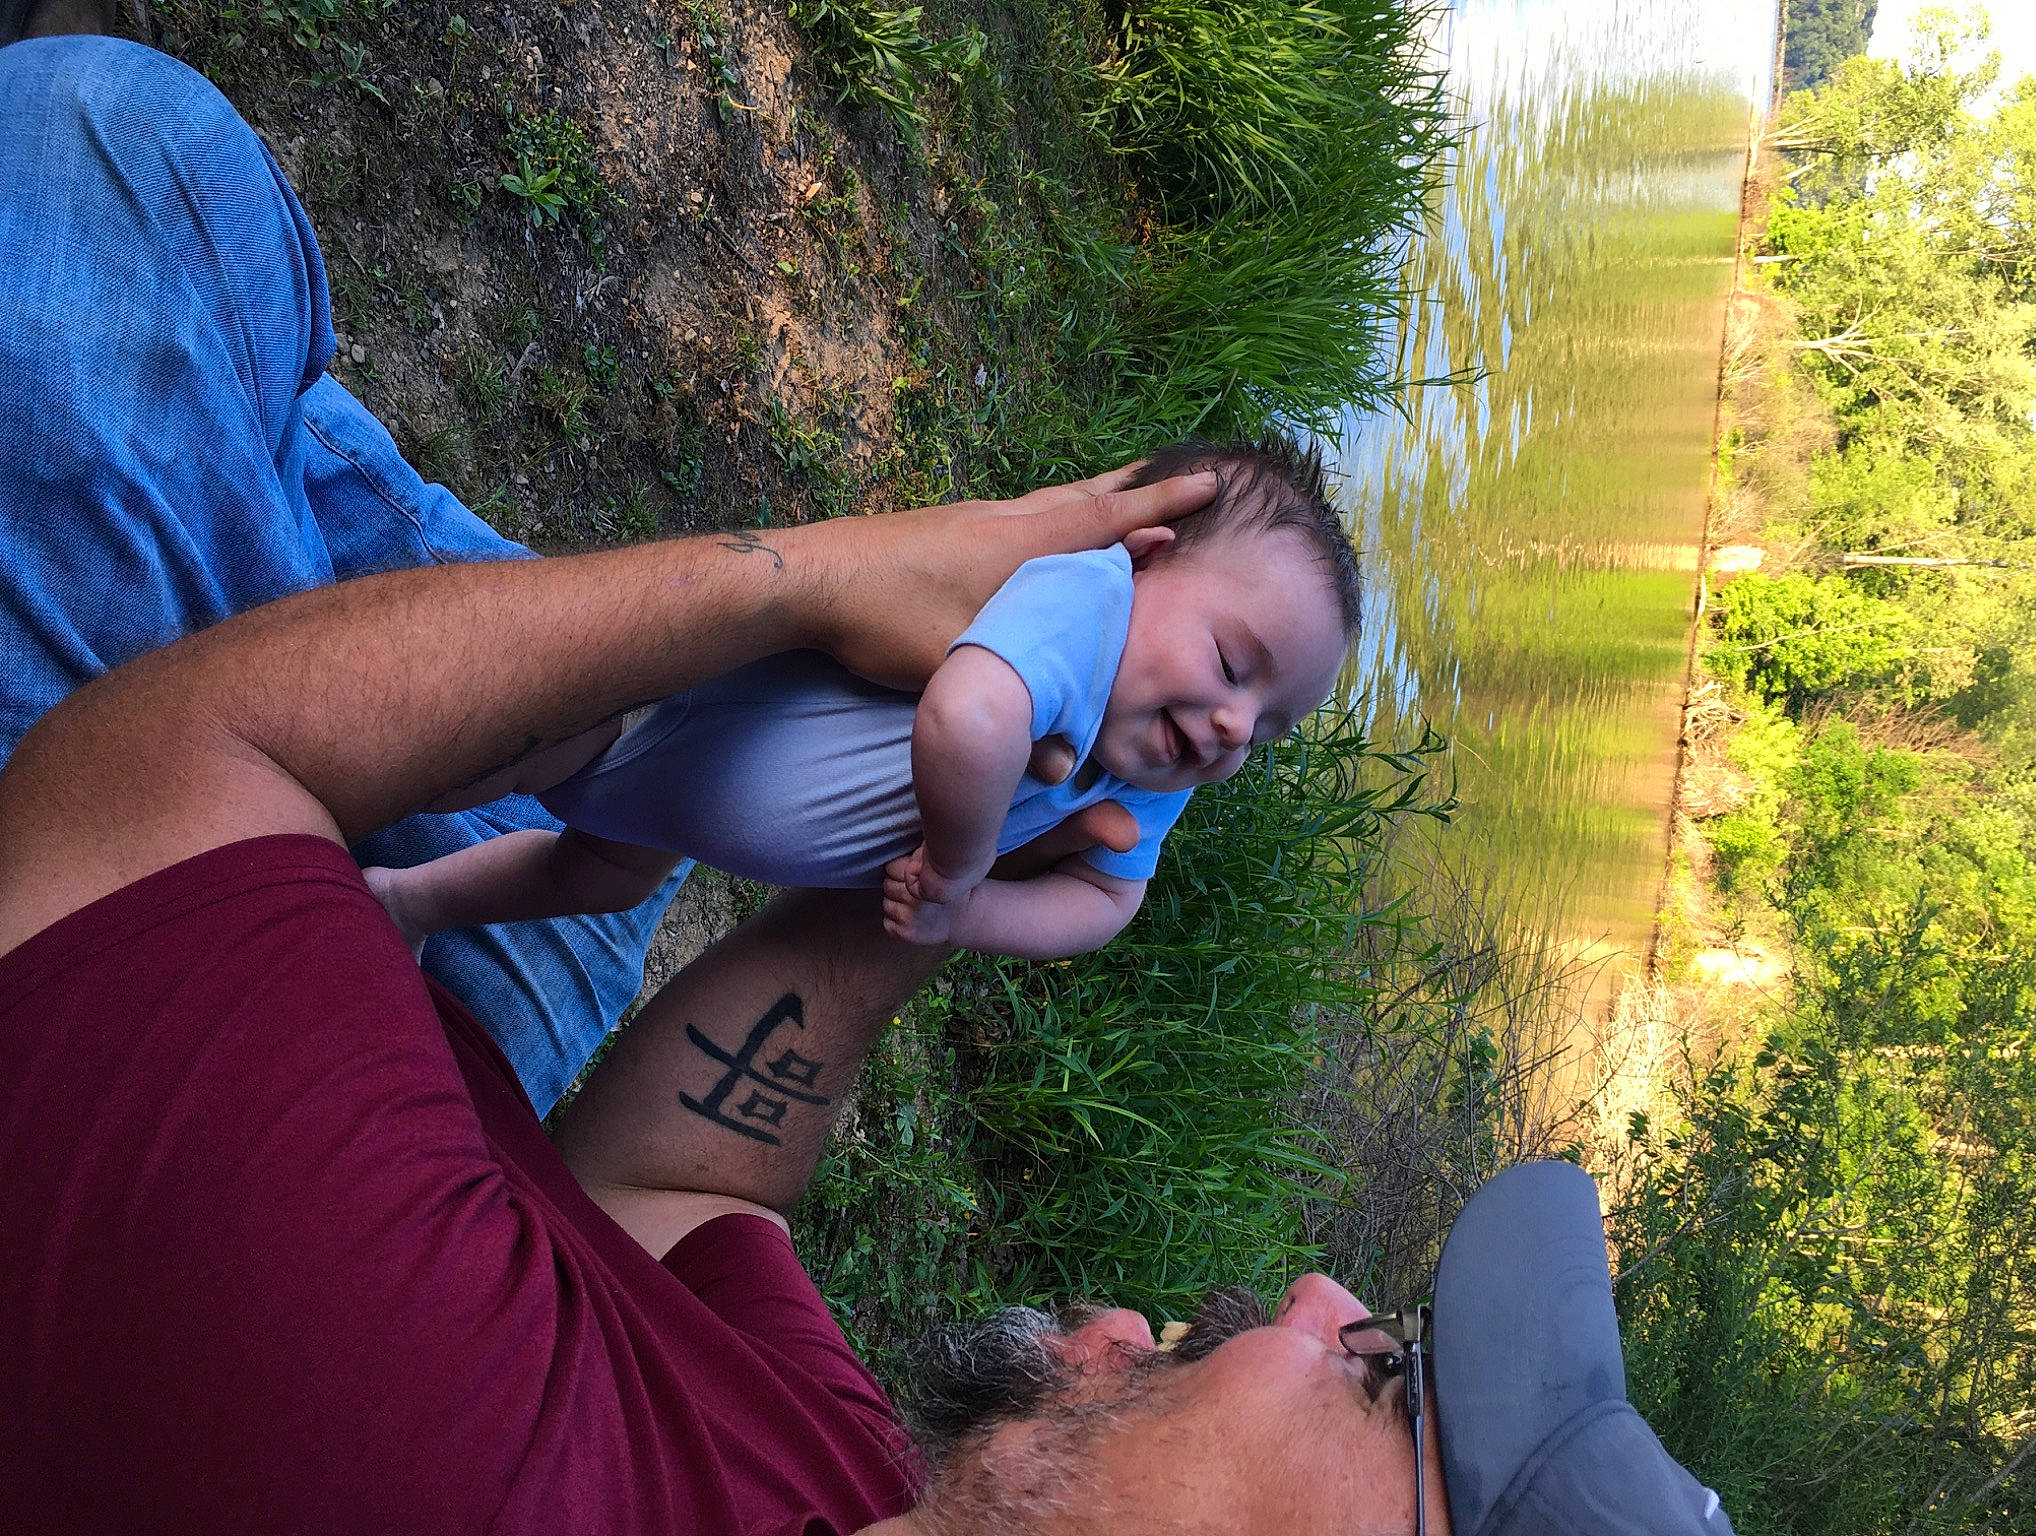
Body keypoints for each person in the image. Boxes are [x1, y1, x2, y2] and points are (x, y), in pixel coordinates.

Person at [0, 22, 1737, 1536]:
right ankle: (270, 483)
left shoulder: (426, 1443)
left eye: (1381, 1380)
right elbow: (689, 1194)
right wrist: (960, 871)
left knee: (107, 167)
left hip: (182, 889)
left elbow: (178, 763)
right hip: (531, 1090)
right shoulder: (870, 1488)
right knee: (323, 522)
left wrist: (813, 575)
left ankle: (257, 484)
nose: (1315, 1289)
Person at [362, 437, 1361, 962]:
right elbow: (968, 715)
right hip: (649, 706)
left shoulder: (1152, 752)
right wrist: (962, 862)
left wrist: (963, 914)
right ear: (1141, 557)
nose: (1234, 728)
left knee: (599, 877)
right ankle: (334, 787)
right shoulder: (1085, 605)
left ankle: (407, 903)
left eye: (1268, 730)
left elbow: (1107, 901)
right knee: (475, 739)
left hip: (671, 817)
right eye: (1233, 665)